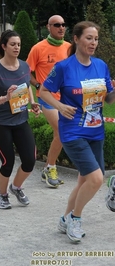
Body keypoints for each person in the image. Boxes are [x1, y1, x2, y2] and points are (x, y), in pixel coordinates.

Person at [40, 21, 115, 242]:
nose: (93, 43)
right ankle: (75, 218)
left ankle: (64, 219)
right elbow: (43, 91)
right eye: (89, 38)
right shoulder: (64, 67)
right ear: (76, 39)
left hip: (95, 130)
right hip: (72, 130)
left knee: (85, 181)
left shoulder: (101, 65)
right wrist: (60, 106)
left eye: (96, 39)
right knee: (95, 179)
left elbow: (108, 98)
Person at [0, 30, 40, 210]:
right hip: (1, 124)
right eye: (13, 44)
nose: (16, 47)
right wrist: (5, 98)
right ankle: (1, 195)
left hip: (21, 121)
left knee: (30, 160)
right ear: (4, 46)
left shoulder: (24, 66)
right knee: (8, 163)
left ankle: (16, 187)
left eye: (19, 44)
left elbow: (26, 86)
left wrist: (32, 102)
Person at [26, 15, 71, 188]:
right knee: (61, 131)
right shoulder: (38, 48)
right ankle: (50, 167)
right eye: (57, 25)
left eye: (63, 25)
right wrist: (38, 85)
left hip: (66, 99)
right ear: (48, 27)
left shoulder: (69, 47)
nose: (61, 28)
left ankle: (47, 167)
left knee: (59, 134)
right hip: (47, 98)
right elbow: (27, 71)